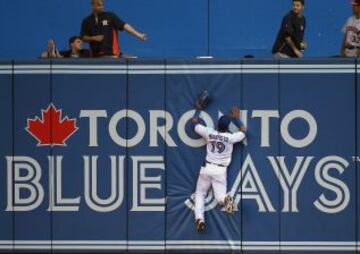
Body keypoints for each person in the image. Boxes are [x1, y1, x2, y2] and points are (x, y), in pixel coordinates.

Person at [191, 102, 246, 233]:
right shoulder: (230, 137)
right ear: (228, 127)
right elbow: (244, 132)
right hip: (220, 170)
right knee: (220, 198)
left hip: (207, 168)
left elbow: (193, 123)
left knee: (200, 194)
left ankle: (200, 219)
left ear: (217, 125)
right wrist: (236, 118)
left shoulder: (209, 133)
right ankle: (226, 199)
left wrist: (198, 109)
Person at [81, 0, 147, 57]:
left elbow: (125, 26)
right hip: (95, 56)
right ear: (93, 6)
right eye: (99, 5)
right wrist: (94, 38)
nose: (102, 7)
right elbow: (83, 37)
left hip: (111, 54)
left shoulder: (110, 16)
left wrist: (139, 35)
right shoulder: (86, 20)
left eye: (102, 5)